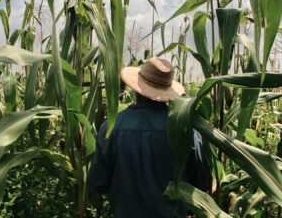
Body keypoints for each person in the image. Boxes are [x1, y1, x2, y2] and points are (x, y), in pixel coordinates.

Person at [88, 57, 210, 218]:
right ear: (168, 92)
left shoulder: (111, 128)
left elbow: (98, 182)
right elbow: (200, 184)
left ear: (137, 89)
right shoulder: (186, 130)